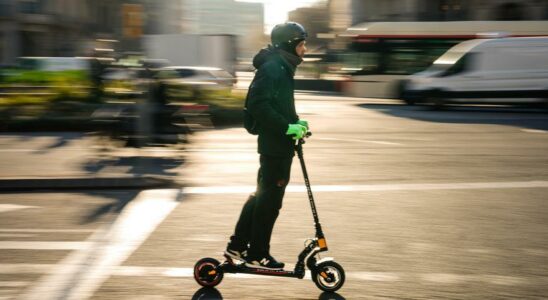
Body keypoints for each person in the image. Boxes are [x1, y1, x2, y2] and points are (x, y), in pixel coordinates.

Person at [225, 22, 309, 270]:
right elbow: (259, 105)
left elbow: (276, 104)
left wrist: (296, 122)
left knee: (261, 196)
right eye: (302, 44)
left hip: (278, 145)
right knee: (269, 202)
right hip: (274, 146)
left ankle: (238, 245)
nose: (305, 49)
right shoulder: (273, 68)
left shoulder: (281, 66)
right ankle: (258, 252)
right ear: (290, 44)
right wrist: (286, 127)